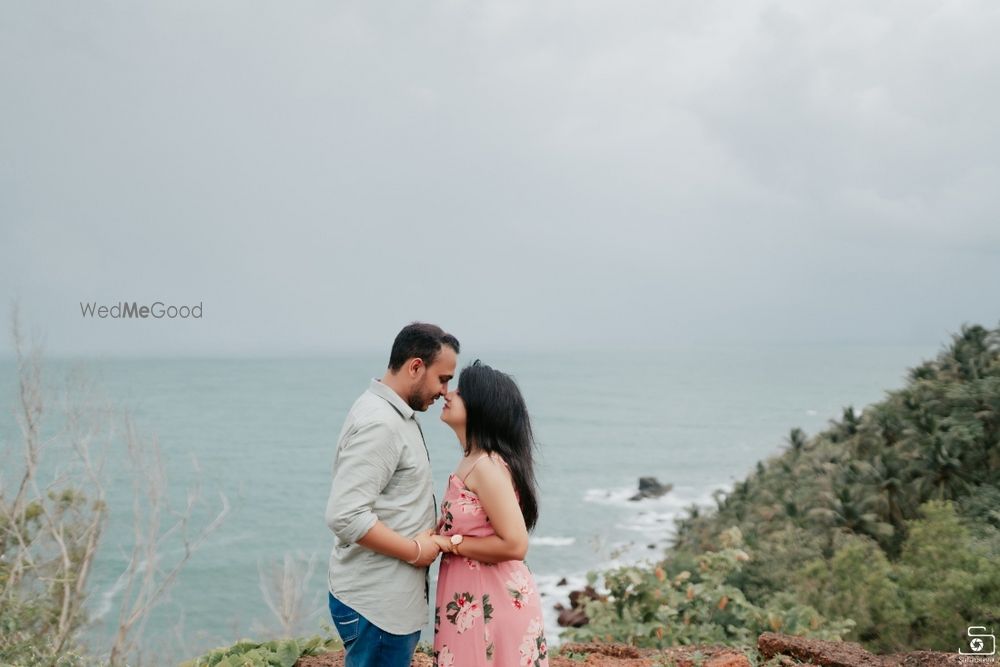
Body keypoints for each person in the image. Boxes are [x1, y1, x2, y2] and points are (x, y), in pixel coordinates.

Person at [325, 322, 460, 667]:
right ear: (416, 366)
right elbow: (345, 515)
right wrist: (416, 551)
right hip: (378, 607)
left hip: (385, 603)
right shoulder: (381, 423)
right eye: (443, 378)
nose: (446, 391)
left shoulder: (395, 415)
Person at [431, 360, 549, 667]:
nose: (448, 394)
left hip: (491, 605)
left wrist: (448, 543)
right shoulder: (472, 461)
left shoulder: (487, 466)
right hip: (474, 601)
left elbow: (515, 545)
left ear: (481, 407)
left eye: (460, 391)